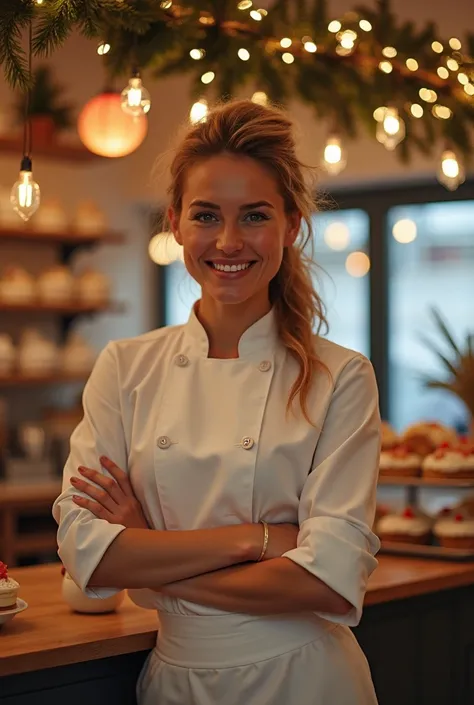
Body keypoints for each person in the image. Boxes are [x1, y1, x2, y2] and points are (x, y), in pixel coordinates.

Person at [53, 99, 381, 705]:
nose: (229, 241)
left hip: (305, 680)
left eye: (254, 215)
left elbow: (332, 583)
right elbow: (86, 554)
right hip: (174, 681)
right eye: (207, 215)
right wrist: (258, 539)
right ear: (175, 223)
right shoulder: (125, 367)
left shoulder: (341, 376)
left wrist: (147, 550)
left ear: (292, 225)